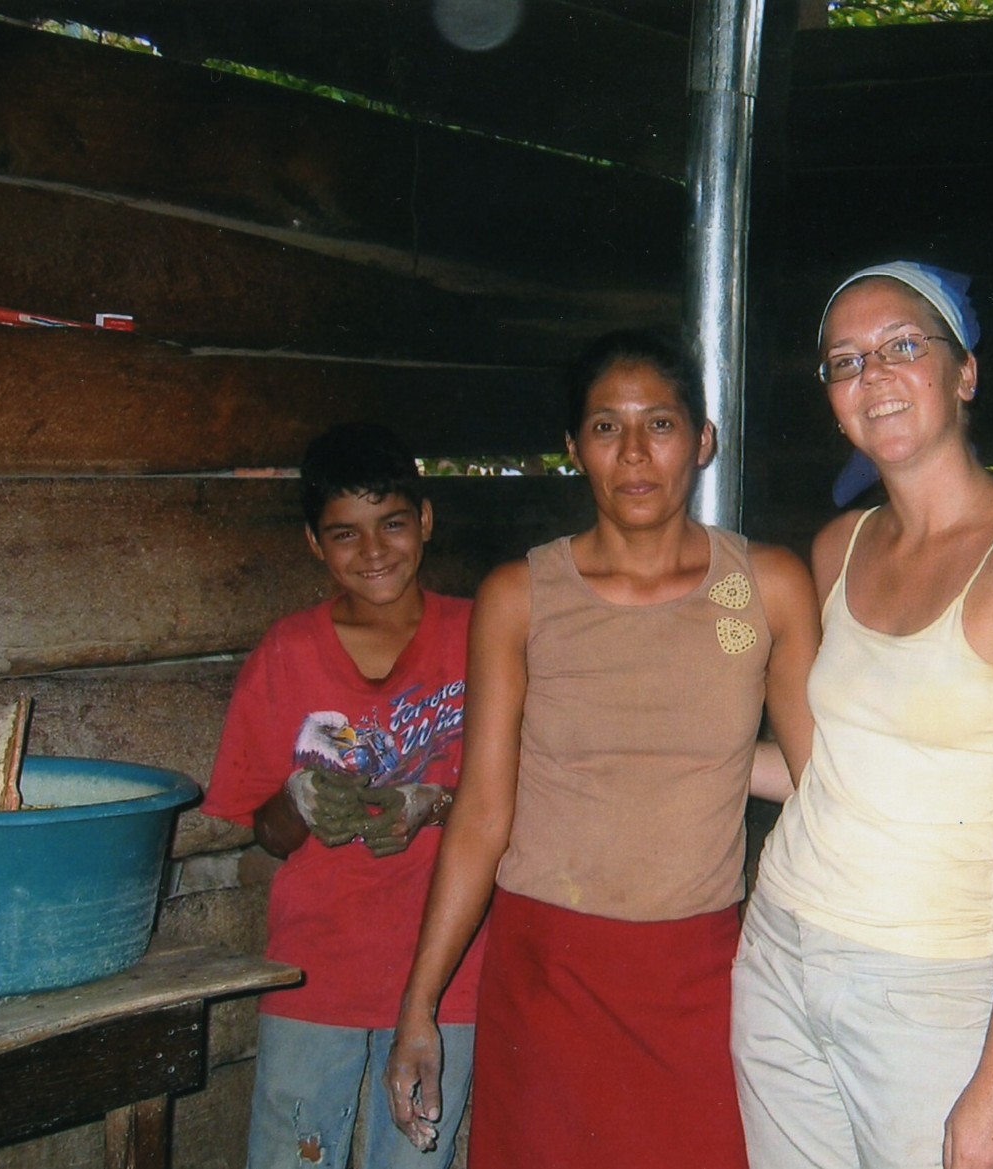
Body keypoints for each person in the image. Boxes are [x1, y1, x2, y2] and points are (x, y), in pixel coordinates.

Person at [384, 329, 819, 1169]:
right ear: (573, 449)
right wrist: (420, 1002)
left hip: (697, 970)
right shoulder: (524, 596)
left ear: (703, 440)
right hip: (550, 972)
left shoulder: (756, 587)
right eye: (606, 427)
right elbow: (480, 812)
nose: (634, 454)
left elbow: (817, 781)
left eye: (658, 424)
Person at [732, 262, 993, 1169]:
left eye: (902, 346)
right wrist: (676, 747)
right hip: (778, 946)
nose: (873, 376)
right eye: (845, 361)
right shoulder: (836, 546)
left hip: (927, 988)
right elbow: (826, 770)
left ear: (963, 372)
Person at [202, 422, 483, 1169]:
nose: (374, 551)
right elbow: (262, 828)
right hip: (315, 970)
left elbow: (517, 795)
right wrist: (297, 798)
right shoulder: (287, 652)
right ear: (313, 543)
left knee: (417, 1157)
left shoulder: (482, 634)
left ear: (424, 520)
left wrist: (434, 800)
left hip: (449, 969)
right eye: (345, 534)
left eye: (391, 523)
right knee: (294, 1154)